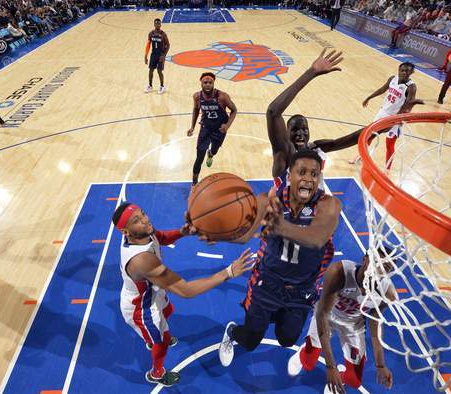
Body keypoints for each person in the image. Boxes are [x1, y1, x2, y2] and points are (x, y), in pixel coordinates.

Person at [218, 149, 341, 367]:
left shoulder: (328, 205)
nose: (308, 178)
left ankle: (277, 318)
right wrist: (214, 228)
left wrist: (280, 227)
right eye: (302, 172)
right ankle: (232, 332)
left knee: (287, 340)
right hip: (267, 284)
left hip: (302, 290)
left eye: (314, 174)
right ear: (289, 175)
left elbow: (317, 239)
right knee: (250, 341)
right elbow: (243, 236)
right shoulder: (268, 201)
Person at [114, 201, 254, 387]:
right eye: (137, 220)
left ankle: (153, 337)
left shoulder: (143, 233)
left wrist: (183, 232)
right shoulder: (142, 260)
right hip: (141, 307)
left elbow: (161, 237)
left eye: (143, 213)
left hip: (153, 292)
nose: (145, 220)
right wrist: (227, 273)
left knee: (168, 311)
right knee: (162, 342)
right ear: (126, 232)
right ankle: (156, 373)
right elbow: (186, 290)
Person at [287, 252, 396, 393]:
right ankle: (303, 351)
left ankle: (340, 376)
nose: (378, 269)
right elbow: (322, 314)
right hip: (327, 315)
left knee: (354, 381)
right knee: (308, 363)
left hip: (353, 324)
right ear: (364, 259)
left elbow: (375, 323)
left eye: (385, 267)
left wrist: (380, 365)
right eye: (376, 262)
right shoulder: (339, 272)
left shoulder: (387, 292)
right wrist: (330, 367)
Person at [266, 49, 361, 184]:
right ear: (286, 133)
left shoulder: (315, 148)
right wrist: (312, 72)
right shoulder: (283, 153)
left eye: (304, 129)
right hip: (288, 198)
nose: (300, 134)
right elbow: (273, 112)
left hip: (313, 197)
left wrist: (379, 127)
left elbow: (346, 141)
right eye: (294, 130)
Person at [348, 62, 424, 168]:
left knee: (390, 144)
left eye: (407, 71)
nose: (404, 72)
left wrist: (396, 119)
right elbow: (382, 89)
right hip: (383, 112)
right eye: (402, 70)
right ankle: (359, 155)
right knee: (369, 135)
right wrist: (369, 97)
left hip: (396, 117)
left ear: (412, 72)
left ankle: (387, 169)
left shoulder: (411, 87)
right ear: (398, 70)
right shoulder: (393, 79)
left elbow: (407, 106)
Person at [187, 72, 238, 186]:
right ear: (201, 83)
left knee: (214, 151)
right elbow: (196, 109)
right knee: (199, 157)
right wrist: (192, 127)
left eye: (210, 82)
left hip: (219, 130)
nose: (208, 85)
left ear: (214, 83)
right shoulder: (197, 96)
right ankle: (194, 184)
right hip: (205, 129)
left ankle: (210, 154)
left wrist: (227, 125)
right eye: (205, 82)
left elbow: (234, 110)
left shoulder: (222, 96)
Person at [144, 18, 170, 94]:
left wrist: (164, 55)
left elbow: (168, 45)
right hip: (153, 55)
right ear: (154, 24)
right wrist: (146, 55)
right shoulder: (151, 33)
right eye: (156, 23)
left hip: (161, 55)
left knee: (159, 71)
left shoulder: (163, 34)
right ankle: (150, 85)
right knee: (151, 70)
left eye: (159, 23)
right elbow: (148, 45)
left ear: (160, 25)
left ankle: (162, 86)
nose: (157, 25)